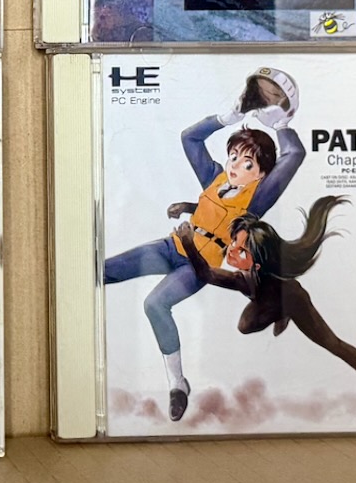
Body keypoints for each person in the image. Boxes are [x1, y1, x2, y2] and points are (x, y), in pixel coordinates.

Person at [104, 67, 305, 421]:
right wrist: (227, 117)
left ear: (261, 173)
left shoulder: (258, 197)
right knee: (102, 271)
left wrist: (282, 125)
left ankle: (177, 383)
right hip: (171, 246)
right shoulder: (215, 177)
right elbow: (189, 139)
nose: (236, 166)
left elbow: (295, 155)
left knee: (155, 304)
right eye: (234, 157)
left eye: (247, 163)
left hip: (198, 264)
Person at [175, 197, 356, 416]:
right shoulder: (246, 277)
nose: (232, 249)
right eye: (235, 241)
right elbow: (207, 272)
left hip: (292, 300)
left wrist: (188, 242)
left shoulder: (263, 282)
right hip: (267, 303)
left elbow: (208, 274)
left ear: (257, 264)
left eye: (242, 250)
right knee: (245, 325)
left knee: (333, 344)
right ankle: (279, 314)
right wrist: (188, 222)